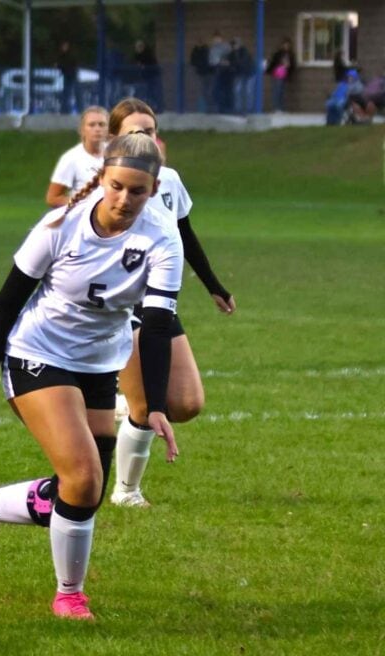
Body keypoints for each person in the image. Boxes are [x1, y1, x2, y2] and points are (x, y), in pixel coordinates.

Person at [0, 132, 183, 620]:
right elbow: (6, 302)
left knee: (84, 492)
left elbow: (159, 325)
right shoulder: (61, 225)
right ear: (101, 178)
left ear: (154, 188)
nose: (124, 200)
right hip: (37, 354)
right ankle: (69, 595)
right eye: (116, 186)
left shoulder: (163, 236)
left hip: (101, 363)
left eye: (138, 191)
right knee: (82, 478)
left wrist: (156, 403)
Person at [106, 98, 235, 507]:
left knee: (188, 403)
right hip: (122, 306)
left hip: (162, 303)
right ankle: (127, 492)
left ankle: (118, 399)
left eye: (150, 131)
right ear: (116, 139)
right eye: (134, 132)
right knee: (147, 405)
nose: (146, 138)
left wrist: (213, 285)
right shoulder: (107, 187)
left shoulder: (170, 182)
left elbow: (185, 233)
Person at [45, 106, 108, 208]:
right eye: (92, 125)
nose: (97, 129)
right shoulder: (71, 158)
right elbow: (53, 198)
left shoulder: (116, 153)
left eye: (101, 125)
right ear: (82, 130)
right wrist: (84, 204)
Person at [266, 38, 296, 112]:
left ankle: (281, 108)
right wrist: (269, 70)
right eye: (285, 45)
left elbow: (292, 65)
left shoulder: (290, 54)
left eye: (288, 45)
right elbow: (273, 62)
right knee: (277, 91)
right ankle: (276, 107)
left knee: (281, 92)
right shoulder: (278, 53)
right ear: (282, 45)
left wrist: (289, 67)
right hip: (277, 74)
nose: (286, 46)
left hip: (284, 74)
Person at [228, 38, 255, 115]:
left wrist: (232, 64)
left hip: (249, 73)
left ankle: (248, 110)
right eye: (233, 44)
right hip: (239, 73)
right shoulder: (232, 54)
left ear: (239, 44)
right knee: (237, 91)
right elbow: (231, 65)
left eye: (235, 44)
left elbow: (241, 62)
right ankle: (238, 110)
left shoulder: (244, 51)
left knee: (248, 91)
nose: (234, 46)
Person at [56, 40, 79, 115]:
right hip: (67, 75)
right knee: (66, 93)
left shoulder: (69, 55)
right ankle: (65, 110)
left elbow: (68, 64)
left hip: (70, 75)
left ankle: (67, 110)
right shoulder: (63, 55)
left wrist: (60, 66)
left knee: (69, 93)